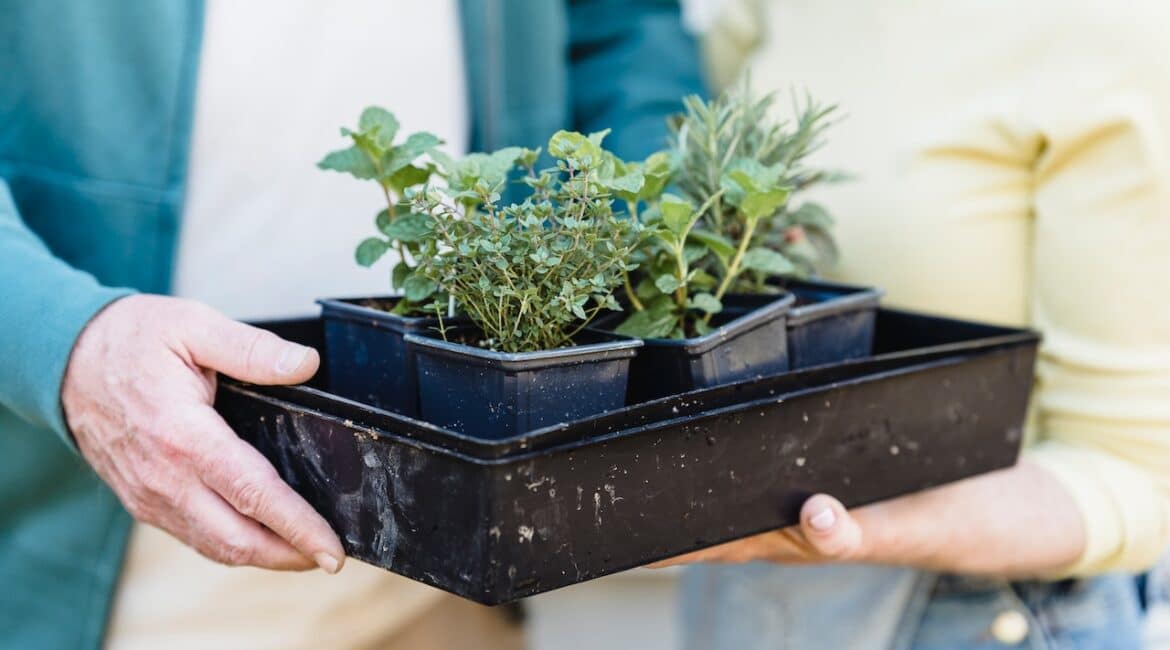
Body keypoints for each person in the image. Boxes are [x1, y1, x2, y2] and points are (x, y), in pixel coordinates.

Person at [0, 1, 702, 647]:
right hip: (114, 573)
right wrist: (66, 341)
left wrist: (671, 250)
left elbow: (621, 28)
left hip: (446, 583)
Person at [656, 1, 1170, 648]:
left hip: (967, 608)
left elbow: (1129, 480)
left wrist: (860, 521)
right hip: (754, 589)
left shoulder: (1113, 31)